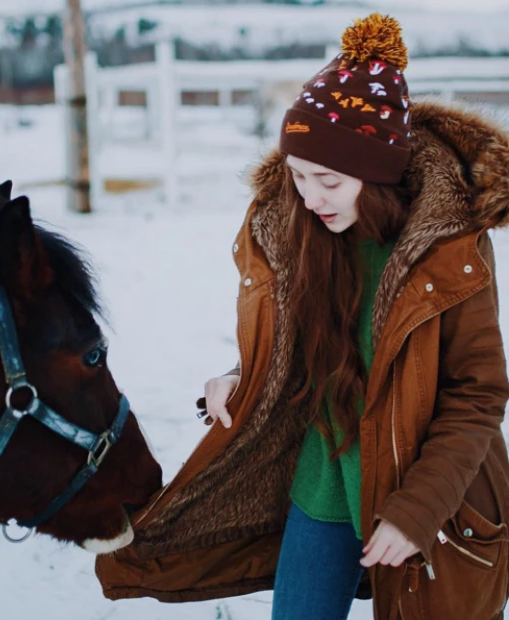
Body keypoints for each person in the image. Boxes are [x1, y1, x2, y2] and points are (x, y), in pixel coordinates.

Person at [96, 13, 509, 620]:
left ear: (377, 176)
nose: (310, 197)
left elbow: (477, 394)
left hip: (430, 495)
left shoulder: (450, 248)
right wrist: (243, 375)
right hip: (325, 484)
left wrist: (418, 509)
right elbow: (301, 347)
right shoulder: (302, 231)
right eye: (297, 177)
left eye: (328, 181)